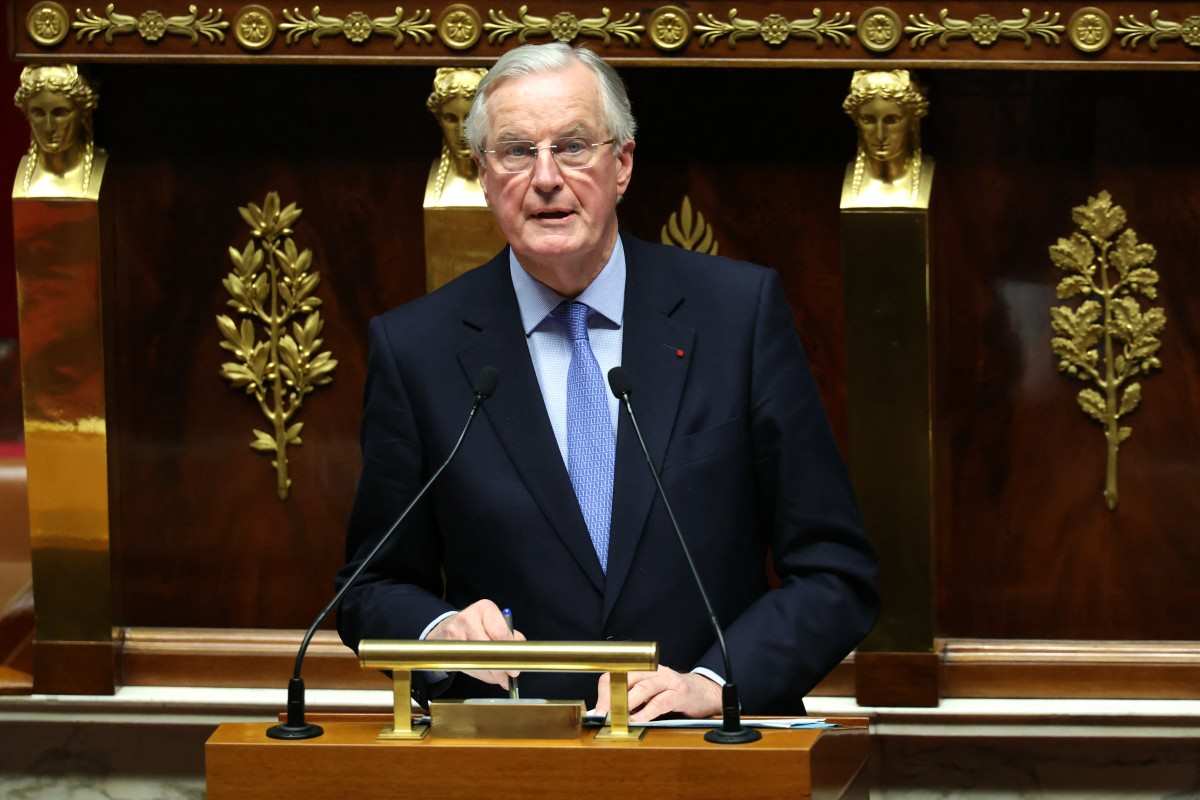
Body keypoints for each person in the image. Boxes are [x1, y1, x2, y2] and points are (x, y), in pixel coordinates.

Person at [337, 43, 878, 719]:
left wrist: (716, 682)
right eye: (515, 151)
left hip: (710, 755)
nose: (545, 178)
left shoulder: (735, 317)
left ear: (621, 164)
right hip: (514, 758)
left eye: (572, 146)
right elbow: (370, 587)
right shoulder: (418, 348)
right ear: (482, 175)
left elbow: (834, 571)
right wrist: (437, 633)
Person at [841, 69, 931, 208]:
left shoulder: (930, 174)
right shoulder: (843, 179)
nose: (880, 135)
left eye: (892, 120)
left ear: (913, 121)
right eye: (868, 120)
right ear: (856, 120)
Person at [12, 64, 104, 198]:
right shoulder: (24, 176)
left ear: (83, 114)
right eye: (38, 113)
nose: (49, 127)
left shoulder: (100, 168)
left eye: (60, 113)